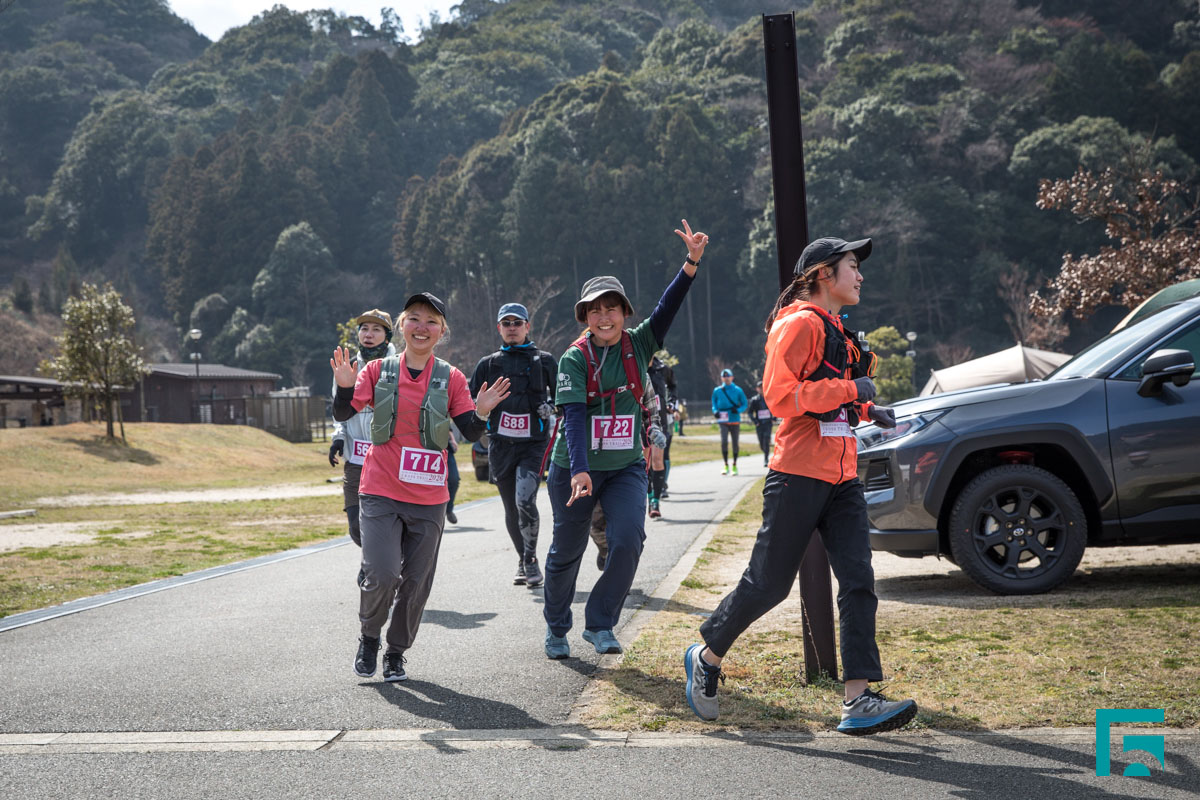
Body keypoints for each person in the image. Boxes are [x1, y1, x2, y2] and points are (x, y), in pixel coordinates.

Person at [683, 236, 916, 736]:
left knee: (859, 580)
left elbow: (828, 396)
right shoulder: (799, 323)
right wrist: (851, 388)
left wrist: (865, 409)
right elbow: (781, 396)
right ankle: (706, 656)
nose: (861, 275)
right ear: (823, 275)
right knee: (768, 584)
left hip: (842, 476)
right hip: (797, 474)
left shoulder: (835, 328)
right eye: (852, 265)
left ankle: (857, 698)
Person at [543, 220, 708, 659]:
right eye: (595, 310)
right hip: (574, 468)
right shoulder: (573, 359)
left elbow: (668, 307)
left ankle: (600, 623)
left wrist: (690, 263)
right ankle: (556, 628)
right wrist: (580, 471)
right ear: (585, 317)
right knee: (566, 551)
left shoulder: (639, 344)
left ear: (624, 313)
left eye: (612, 308)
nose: (604, 316)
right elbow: (572, 418)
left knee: (629, 540)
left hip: (625, 468)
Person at [331, 292, 510, 683]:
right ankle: (369, 636)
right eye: (414, 318)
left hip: (429, 497)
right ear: (402, 325)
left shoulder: (451, 378)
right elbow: (344, 411)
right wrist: (344, 387)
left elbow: (470, 430)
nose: (422, 327)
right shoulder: (377, 371)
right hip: (380, 489)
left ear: (442, 332)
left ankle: (396, 652)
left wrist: (482, 411)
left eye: (431, 321)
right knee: (381, 573)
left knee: (415, 583)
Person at [469, 302, 558, 587]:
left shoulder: (545, 361)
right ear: (499, 328)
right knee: (511, 507)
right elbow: (468, 403)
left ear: (527, 326)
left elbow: (564, 399)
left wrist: (551, 408)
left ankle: (530, 560)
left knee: (524, 500)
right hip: (501, 446)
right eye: (506, 323)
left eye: (517, 323)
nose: (512, 328)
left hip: (533, 445)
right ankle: (523, 559)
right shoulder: (488, 364)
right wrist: (480, 409)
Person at [328, 310, 397, 560]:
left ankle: (377, 569)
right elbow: (338, 407)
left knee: (387, 522)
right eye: (364, 329)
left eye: (376, 329)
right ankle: (378, 565)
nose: (369, 334)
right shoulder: (348, 366)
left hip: (390, 458)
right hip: (356, 459)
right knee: (356, 526)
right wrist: (338, 437)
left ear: (387, 337)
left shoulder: (400, 366)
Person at [647, 354, 677, 500]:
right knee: (645, 461)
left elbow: (673, 386)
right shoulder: (633, 364)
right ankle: (648, 492)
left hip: (660, 419)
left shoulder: (663, 368)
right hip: (640, 418)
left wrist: (671, 403)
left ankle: (657, 496)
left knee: (659, 458)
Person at [711, 368, 748, 475]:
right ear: (721, 378)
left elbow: (745, 404)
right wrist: (715, 411)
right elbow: (714, 403)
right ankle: (726, 464)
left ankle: (735, 465)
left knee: (735, 443)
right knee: (724, 442)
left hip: (734, 419)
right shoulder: (717, 390)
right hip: (723, 420)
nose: (726, 379)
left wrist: (738, 410)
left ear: (732, 377)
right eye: (724, 377)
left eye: (728, 376)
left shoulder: (738, 390)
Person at [746, 380, 776, 467]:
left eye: (763, 387)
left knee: (766, 439)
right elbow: (750, 412)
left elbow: (775, 408)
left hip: (768, 423)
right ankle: (765, 451)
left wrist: (774, 418)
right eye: (760, 388)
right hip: (759, 424)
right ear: (757, 389)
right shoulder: (754, 400)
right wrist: (755, 421)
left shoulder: (770, 398)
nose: (762, 389)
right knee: (762, 442)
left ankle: (766, 459)